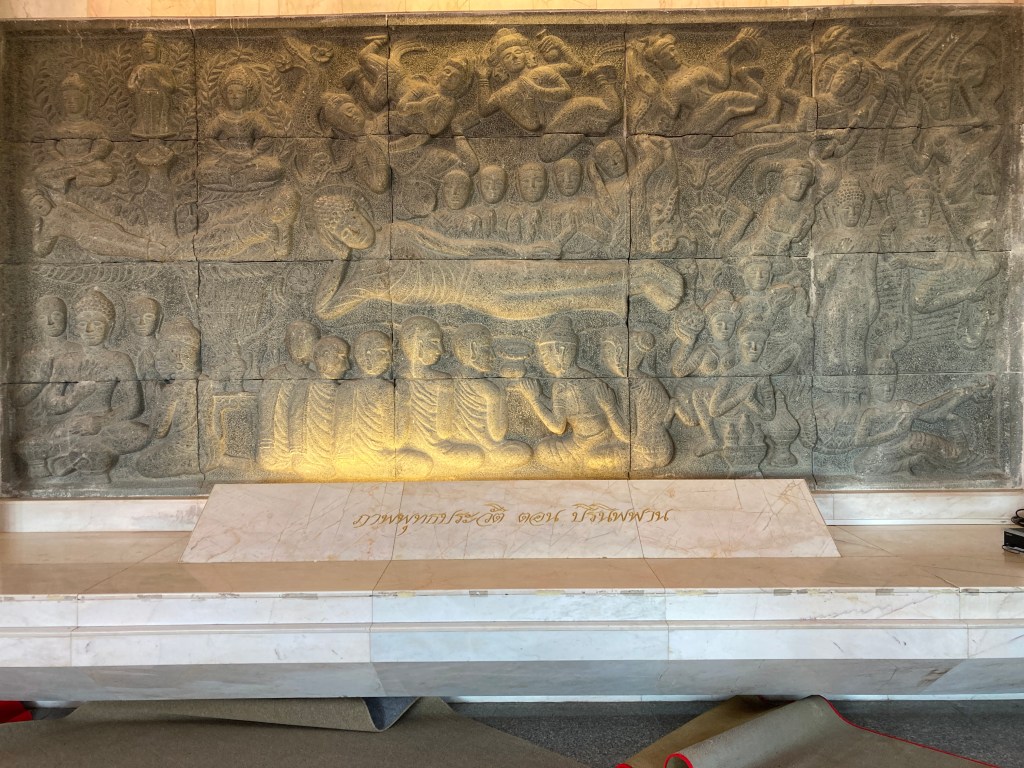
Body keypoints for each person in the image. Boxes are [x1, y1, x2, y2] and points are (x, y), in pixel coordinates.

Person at [16, 289, 148, 483]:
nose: (89, 330)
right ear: (75, 327)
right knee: (29, 445)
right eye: (82, 324)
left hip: (104, 426)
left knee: (142, 433)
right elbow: (50, 404)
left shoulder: (119, 360)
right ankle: (80, 458)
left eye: (97, 323)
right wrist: (75, 396)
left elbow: (133, 405)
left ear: (110, 326)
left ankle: (73, 458)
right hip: (70, 426)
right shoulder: (65, 360)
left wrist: (100, 422)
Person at [513, 316, 628, 474]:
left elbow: (557, 427)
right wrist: (539, 395)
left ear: (560, 352)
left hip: (585, 444)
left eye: (545, 355)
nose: (543, 360)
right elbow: (565, 409)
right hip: (602, 438)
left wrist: (533, 399)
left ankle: (587, 463)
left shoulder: (562, 386)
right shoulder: (589, 378)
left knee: (542, 450)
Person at [395, 317, 484, 478]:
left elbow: (398, 436)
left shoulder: (400, 377)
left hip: (409, 449)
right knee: (476, 457)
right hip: (439, 449)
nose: (441, 350)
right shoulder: (443, 381)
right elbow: (444, 431)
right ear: (418, 345)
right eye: (435, 342)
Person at [449, 323, 531, 470]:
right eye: (487, 349)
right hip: (488, 447)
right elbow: (497, 435)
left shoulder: (450, 378)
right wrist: (502, 393)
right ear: (473, 350)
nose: (493, 356)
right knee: (524, 452)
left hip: (455, 444)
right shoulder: (489, 390)